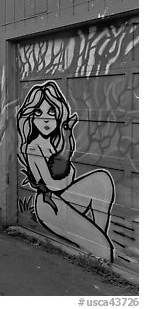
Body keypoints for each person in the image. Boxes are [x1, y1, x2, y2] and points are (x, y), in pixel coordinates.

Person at [17, 81, 115, 260]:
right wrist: (64, 168)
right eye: (38, 112)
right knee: (105, 248)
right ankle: (99, 248)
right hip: (49, 204)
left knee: (102, 180)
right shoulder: (33, 147)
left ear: (59, 113)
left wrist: (67, 133)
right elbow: (53, 185)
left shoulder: (54, 143)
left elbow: (64, 167)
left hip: (64, 196)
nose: (45, 118)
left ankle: (95, 237)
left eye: (51, 111)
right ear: (30, 116)